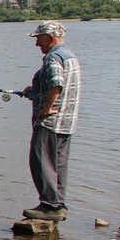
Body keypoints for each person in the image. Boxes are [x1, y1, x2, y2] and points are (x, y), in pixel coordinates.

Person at [22, 21, 81, 222]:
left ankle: (49, 204)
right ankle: (58, 203)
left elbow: (57, 85)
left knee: (40, 160)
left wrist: (44, 110)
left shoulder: (53, 58)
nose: (37, 43)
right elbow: (56, 85)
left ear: (50, 37)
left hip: (50, 122)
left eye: (39, 38)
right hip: (67, 121)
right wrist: (35, 90)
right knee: (58, 164)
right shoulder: (70, 56)